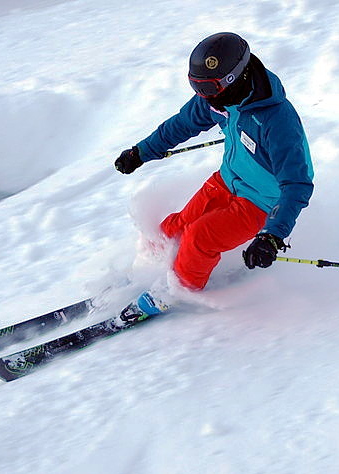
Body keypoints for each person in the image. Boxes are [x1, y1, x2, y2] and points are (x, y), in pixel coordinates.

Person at [115, 32, 314, 292]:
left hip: (262, 202)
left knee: (199, 237)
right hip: (227, 180)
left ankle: (177, 290)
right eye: (197, 87)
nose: (204, 96)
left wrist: (272, 236)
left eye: (209, 88)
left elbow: (297, 184)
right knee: (173, 228)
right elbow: (181, 124)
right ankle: (146, 271)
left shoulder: (277, 120)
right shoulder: (220, 99)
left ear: (235, 78)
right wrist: (140, 152)